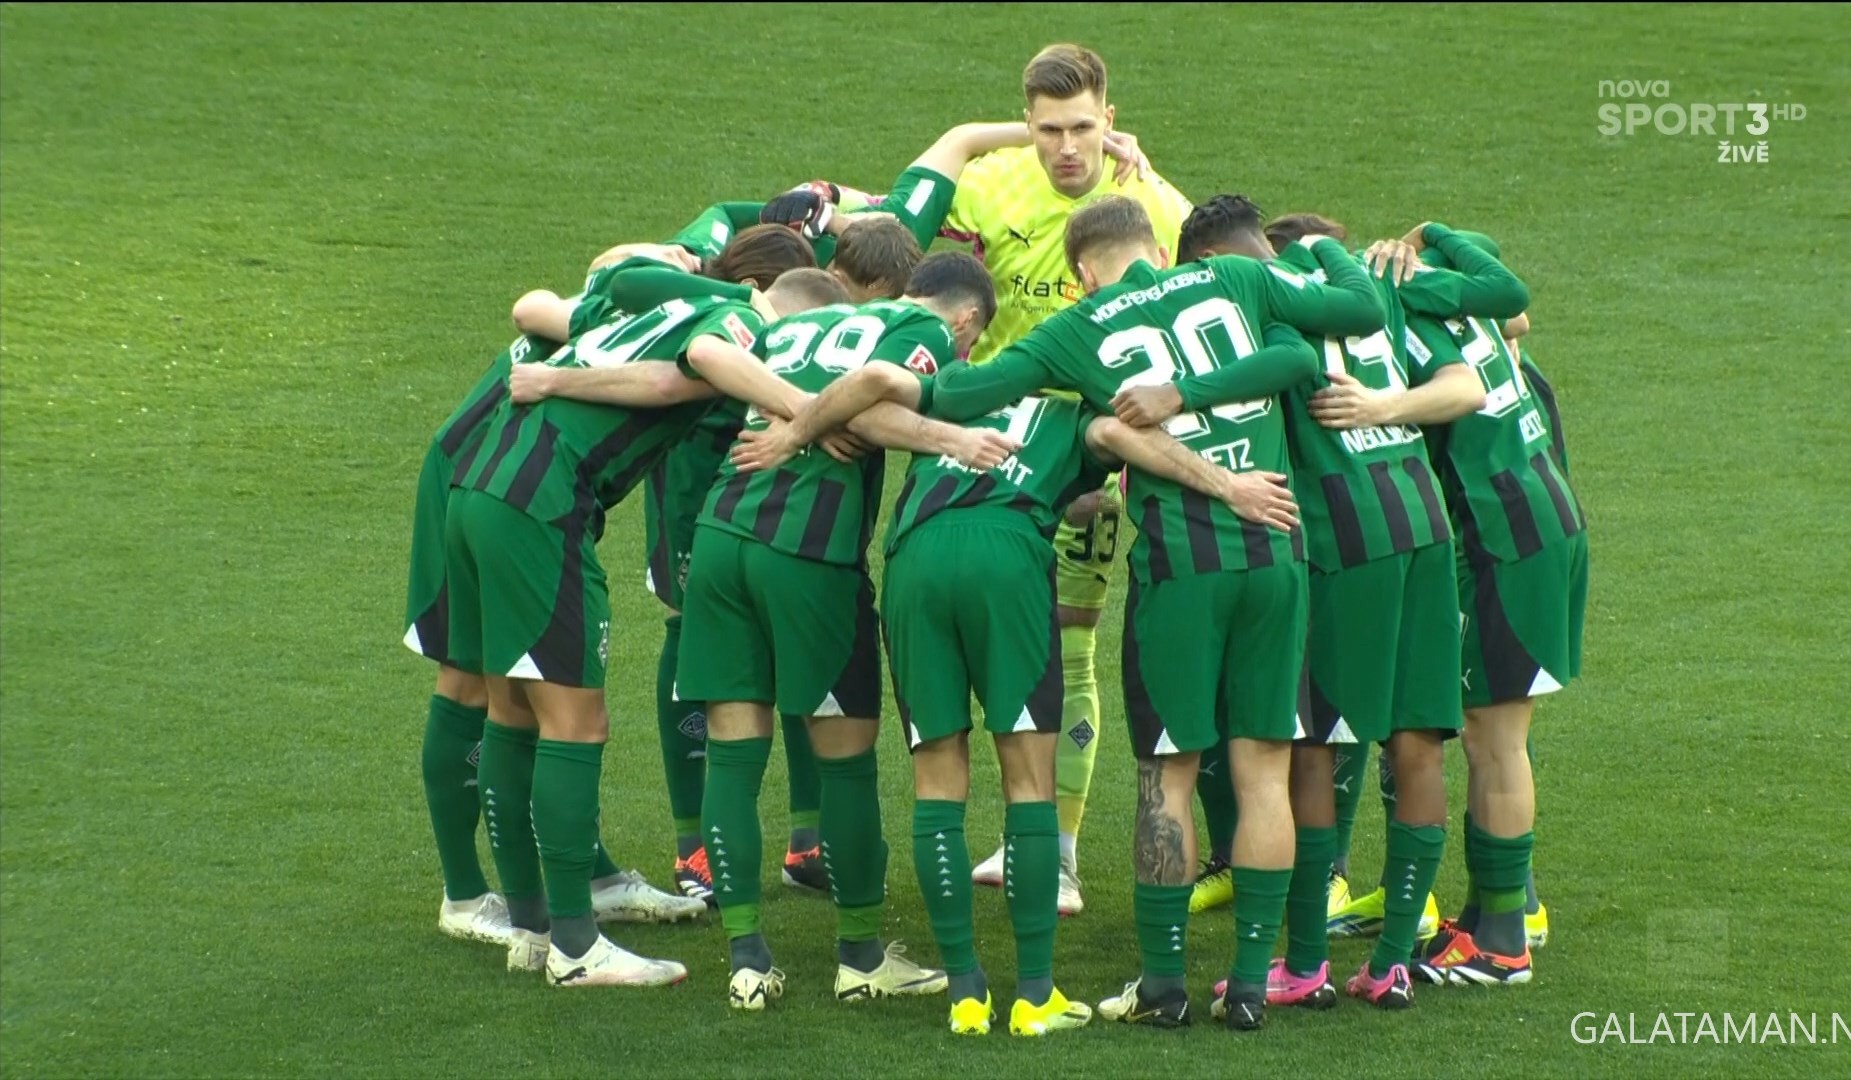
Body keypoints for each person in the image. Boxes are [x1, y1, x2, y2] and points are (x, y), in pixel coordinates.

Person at [727, 340, 1300, 1036]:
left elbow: (871, 395)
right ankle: (1034, 995)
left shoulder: (957, 388)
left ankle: (966, 994)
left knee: (938, 784)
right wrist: (1225, 484)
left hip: (915, 561)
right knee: (1029, 783)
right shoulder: (1073, 411)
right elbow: (1122, 438)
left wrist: (805, 428)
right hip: (1007, 555)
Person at [929, 195, 1385, 1031]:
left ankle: (1165, 986)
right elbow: (1358, 313)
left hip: (1181, 572)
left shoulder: (1075, 328)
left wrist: (909, 350)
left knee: (1166, 777)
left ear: (1081, 273)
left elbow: (963, 395)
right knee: (1264, 772)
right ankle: (1250, 984)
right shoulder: (1237, 277)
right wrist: (1324, 252)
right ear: (1161, 250)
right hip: (1276, 553)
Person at [1170, 199, 1524, 1008]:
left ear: (1215, 262)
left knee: (1311, 751)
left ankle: (1303, 966)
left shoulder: (1256, 304)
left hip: (1343, 540)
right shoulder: (1372, 284)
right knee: (1417, 741)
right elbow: (1481, 360)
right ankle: (1393, 962)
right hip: (1423, 525)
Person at [455, 254, 842, 987]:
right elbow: (695, 366)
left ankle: (532, 929)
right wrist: (805, 408)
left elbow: (605, 319)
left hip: (484, 481)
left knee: (511, 711)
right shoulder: (743, 322)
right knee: (575, 724)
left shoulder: (664, 307)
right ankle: (576, 948)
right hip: (541, 502)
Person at [676, 252, 1012, 1011]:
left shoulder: (810, 322)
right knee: (847, 759)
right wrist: (949, 438)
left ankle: (746, 957)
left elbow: (712, 355)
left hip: (721, 534)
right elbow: (870, 403)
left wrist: (792, 416)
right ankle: (860, 956)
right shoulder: (924, 330)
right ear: (964, 320)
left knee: (733, 752)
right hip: (809, 554)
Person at [404, 242, 726, 945]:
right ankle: (466, 894)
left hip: (515, 471)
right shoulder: (675, 317)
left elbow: (546, 304)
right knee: (477, 683)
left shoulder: (647, 299)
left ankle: (589, 878)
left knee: (533, 694)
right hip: (477, 472)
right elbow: (547, 315)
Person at [942, 44, 1195, 914]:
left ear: (1109, 121)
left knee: (1071, 644)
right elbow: (917, 242)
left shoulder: (1156, 206)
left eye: (1082, 127)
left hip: (1099, 459)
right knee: (996, 642)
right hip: (1000, 455)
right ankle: (1024, 831)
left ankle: (1056, 852)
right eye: (1048, 130)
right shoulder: (988, 187)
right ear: (1027, 124)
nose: (1066, 147)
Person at [1393, 226, 1582, 987]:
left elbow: (1461, 388)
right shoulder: (1459, 299)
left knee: (1494, 739)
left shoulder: (1400, 311)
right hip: (1539, 513)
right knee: (1488, 731)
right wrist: (1432, 237)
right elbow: (1517, 313)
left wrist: (1380, 405)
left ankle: (1505, 940)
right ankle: (1490, 913)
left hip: (1505, 535)